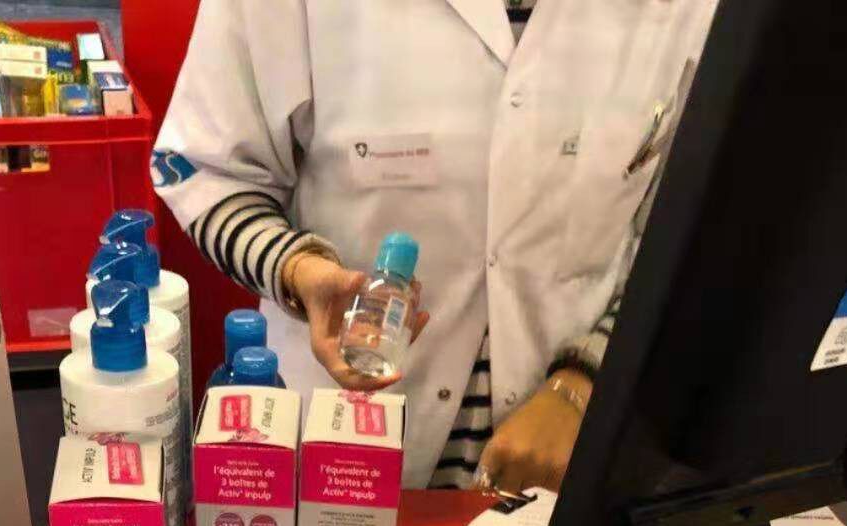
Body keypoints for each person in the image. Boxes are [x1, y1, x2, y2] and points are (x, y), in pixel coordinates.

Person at [152, 0, 718, 492]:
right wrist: (297, 269)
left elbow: (686, 233)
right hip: (341, 452)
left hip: (561, 466)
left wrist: (583, 382)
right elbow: (212, 172)